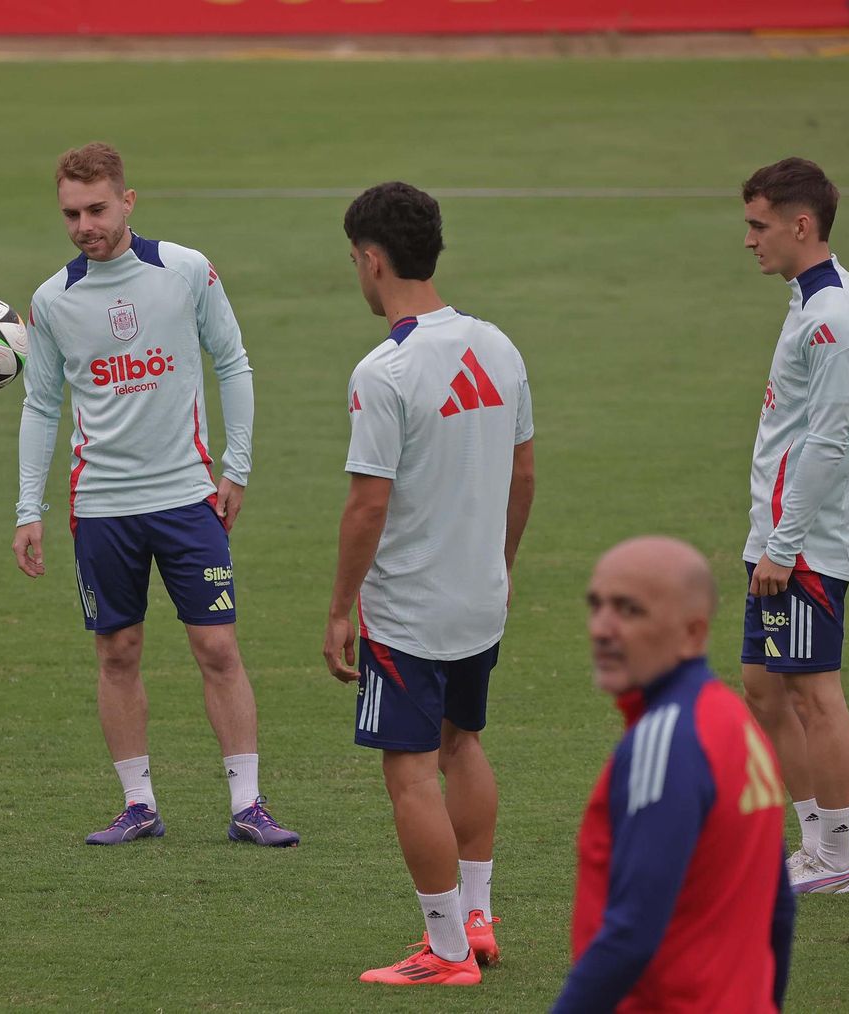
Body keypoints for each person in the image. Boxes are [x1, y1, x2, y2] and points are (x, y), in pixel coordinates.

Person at [12, 143, 295, 847]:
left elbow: (232, 361)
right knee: (118, 651)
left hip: (186, 497)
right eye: (71, 214)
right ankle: (137, 805)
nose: (85, 226)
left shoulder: (186, 271)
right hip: (101, 505)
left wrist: (237, 468)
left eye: (97, 209)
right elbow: (41, 405)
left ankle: (248, 805)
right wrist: (27, 508)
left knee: (217, 647)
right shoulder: (51, 301)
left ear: (128, 201)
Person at [323, 182, 534, 986]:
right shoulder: (499, 345)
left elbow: (367, 504)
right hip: (480, 597)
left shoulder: (385, 370)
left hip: (410, 610)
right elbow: (523, 472)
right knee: (463, 744)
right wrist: (502, 563)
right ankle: (477, 918)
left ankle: (446, 952)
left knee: (410, 771)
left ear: (373, 260)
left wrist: (338, 609)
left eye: (355, 259)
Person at [554, 537, 795, 1012]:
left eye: (630, 610)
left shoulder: (667, 740)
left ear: (692, 633)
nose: (601, 628)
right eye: (596, 605)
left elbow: (631, 934)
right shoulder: (735, 721)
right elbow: (779, 909)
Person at [736, 157, 849, 895]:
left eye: (758, 225)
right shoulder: (816, 297)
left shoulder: (832, 321)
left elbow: (826, 443)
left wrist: (784, 546)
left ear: (801, 225)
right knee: (764, 686)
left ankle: (838, 858)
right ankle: (814, 843)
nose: (749, 240)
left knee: (814, 693)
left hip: (804, 545)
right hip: (779, 535)